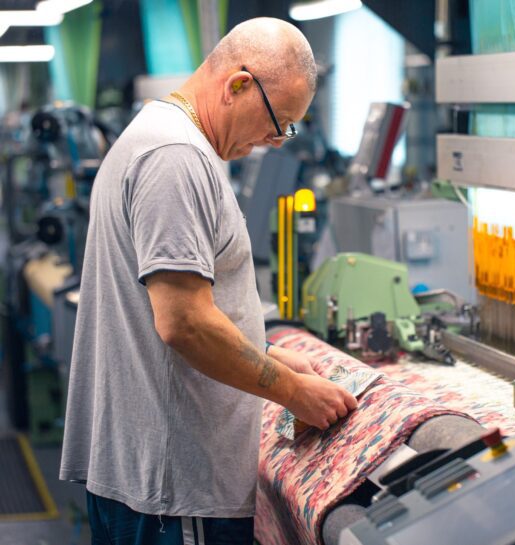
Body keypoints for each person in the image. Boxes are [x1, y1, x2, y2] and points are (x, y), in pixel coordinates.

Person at [59, 18, 357, 545]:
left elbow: (183, 311)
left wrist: (264, 352)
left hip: (156, 483)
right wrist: (293, 392)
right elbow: (184, 323)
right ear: (239, 84)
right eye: (278, 123)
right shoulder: (175, 158)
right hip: (176, 495)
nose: (276, 142)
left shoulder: (160, 136)